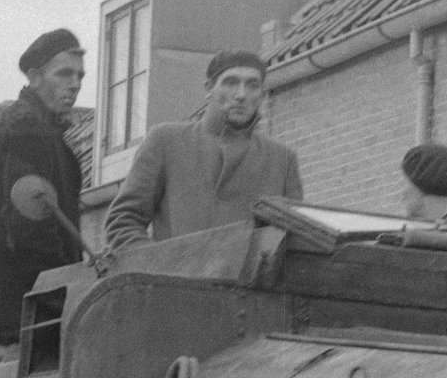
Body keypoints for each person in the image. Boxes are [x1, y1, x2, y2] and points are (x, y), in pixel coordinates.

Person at [0, 27, 87, 364]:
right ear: (34, 77)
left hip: (18, 321)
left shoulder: (36, 128)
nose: (75, 84)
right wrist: (69, 300)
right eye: (64, 74)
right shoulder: (27, 129)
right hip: (21, 325)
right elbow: (30, 230)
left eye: (79, 76)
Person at [101, 49, 302, 253]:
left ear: (262, 94)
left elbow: (296, 241)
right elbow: (123, 221)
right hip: (175, 272)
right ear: (209, 88)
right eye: (230, 82)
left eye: (252, 85)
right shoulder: (166, 141)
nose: (241, 94)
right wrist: (160, 263)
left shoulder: (282, 160)